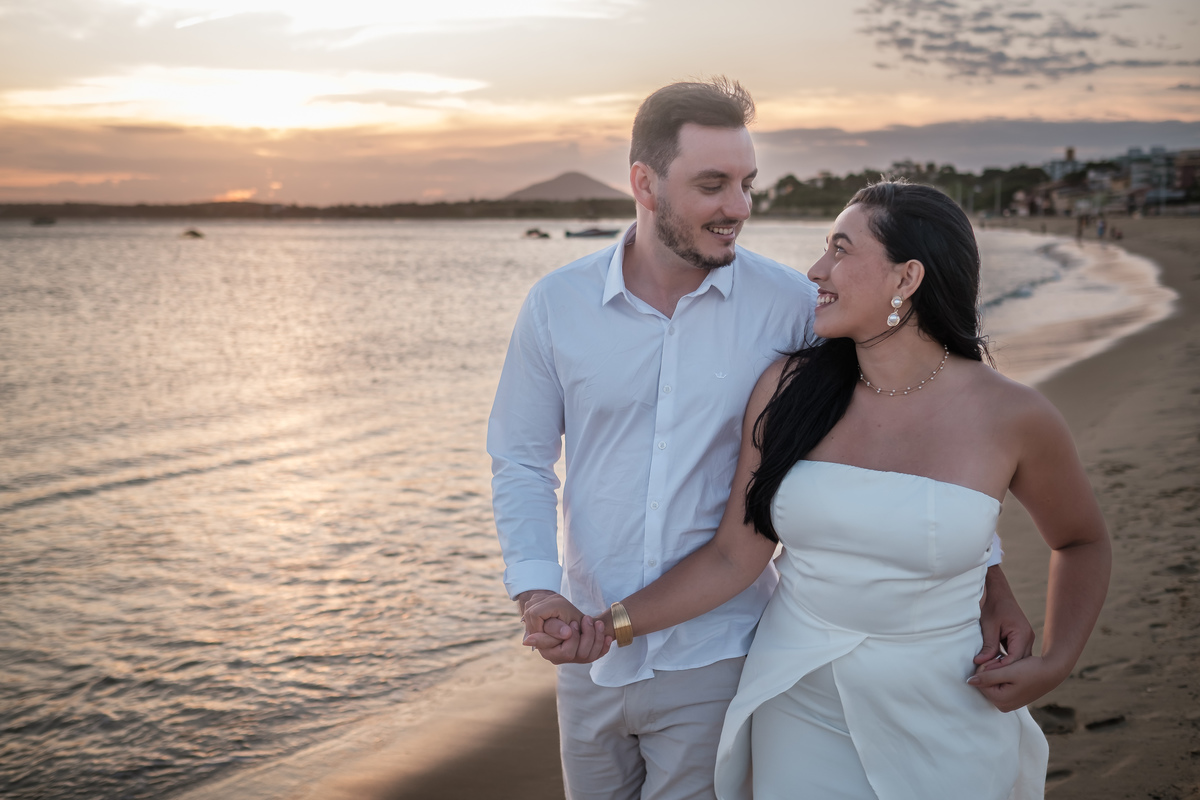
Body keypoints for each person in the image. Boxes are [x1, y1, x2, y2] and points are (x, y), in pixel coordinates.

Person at [490, 78, 1033, 800]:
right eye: (713, 185)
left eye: (747, 184)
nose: (738, 208)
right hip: (586, 653)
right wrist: (536, 593)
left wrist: (985, 574)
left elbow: (902, 427)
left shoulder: (792, 307)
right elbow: (522, 458)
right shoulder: (557, 305)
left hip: (722, 650)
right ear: (644, 184)